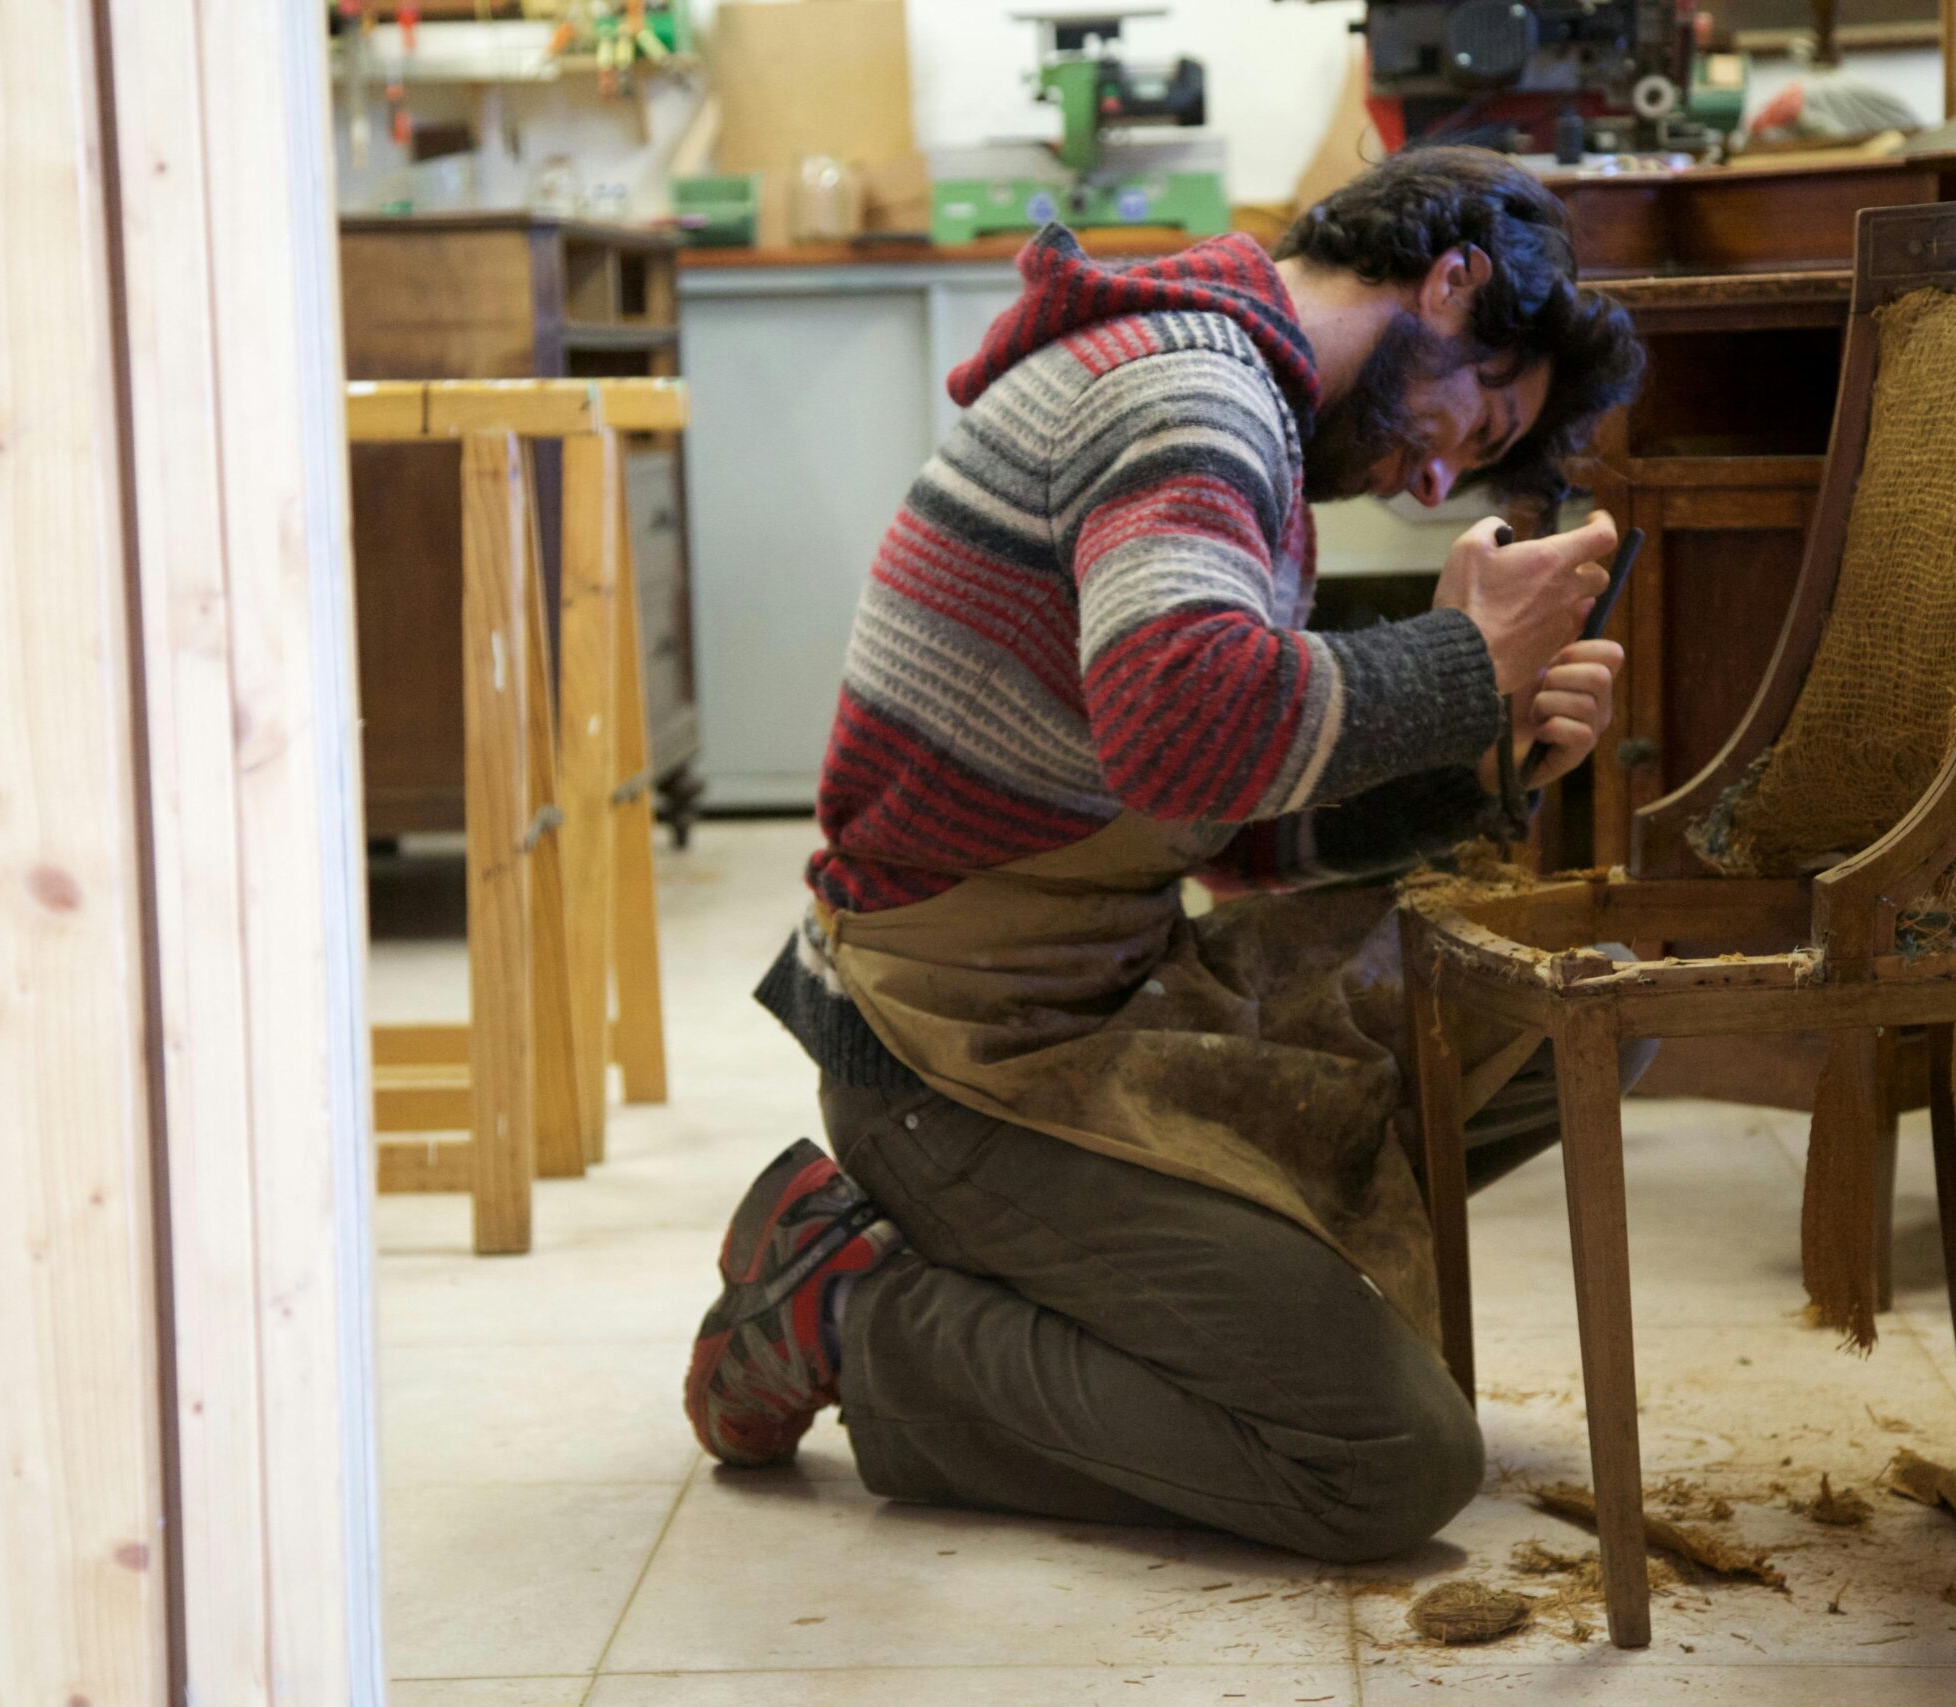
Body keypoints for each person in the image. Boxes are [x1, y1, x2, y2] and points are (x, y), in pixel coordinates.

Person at [684, 146, 1648, 1562]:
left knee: (1582, 1020)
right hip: (953, 1054)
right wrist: (1459, 661)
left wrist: (1480, 756)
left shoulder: (1231, 386)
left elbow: (1232, 831)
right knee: (1382, 1461)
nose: (1446, 467)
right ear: (1451, 282)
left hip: (1096, 988)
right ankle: (854, 1302)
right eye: (1479, 407)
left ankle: (1190, 1277)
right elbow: (1188, 730)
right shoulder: (1187, 387)